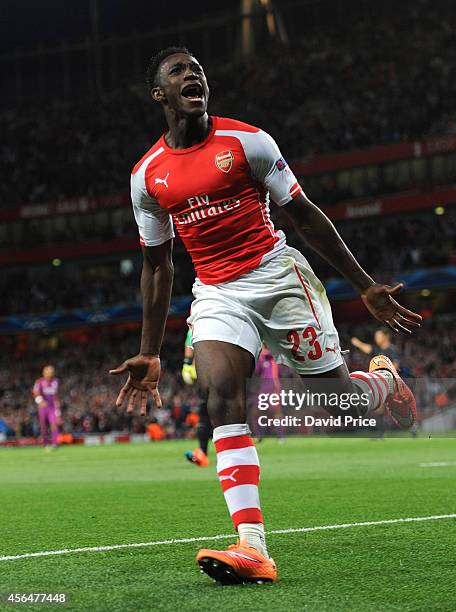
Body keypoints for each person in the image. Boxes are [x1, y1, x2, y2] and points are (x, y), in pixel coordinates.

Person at [110, 47, 422, 585]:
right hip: (215, 292)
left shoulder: (248, 142)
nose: (194, 76)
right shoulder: (147, 177)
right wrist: (149, 348)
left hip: (276, 278)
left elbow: (302, 213)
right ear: (159, 94)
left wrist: (364, 286)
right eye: (180, 72)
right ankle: (253, 546)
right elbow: (157, 266)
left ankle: (380, 382)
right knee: (221, 397)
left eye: (199, 70)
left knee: (339, 411)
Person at [351, 328, 401, 437]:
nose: (376, 338)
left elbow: (396, 365)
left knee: (398, 409)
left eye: (378, 336)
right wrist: (358, 343)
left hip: (392, 382)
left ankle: (412, 429)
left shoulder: (391, 350)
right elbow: (369, 349)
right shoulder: (379, 351)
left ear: (386, 336)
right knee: (380, 408)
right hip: (382, 383)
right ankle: (381, 433)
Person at [182, 327, 212, 467]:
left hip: (205, 373)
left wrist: (187, 364)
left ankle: (203, 453)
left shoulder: (197, 322)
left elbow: (190, 342)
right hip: (221, 372)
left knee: (205, 413)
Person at [32, 365, 60, 450]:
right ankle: (45, 443)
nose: (50, 374)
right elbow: (35, 392)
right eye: (49, 372)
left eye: (52, 372)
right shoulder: (39, 382)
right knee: (43, 426)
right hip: (43, 408)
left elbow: (56, 396)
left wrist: (58, 411)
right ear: (44, 373)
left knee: (54, 424)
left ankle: (55, 443)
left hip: (52, 407)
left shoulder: (56, 381)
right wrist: (40, 401)